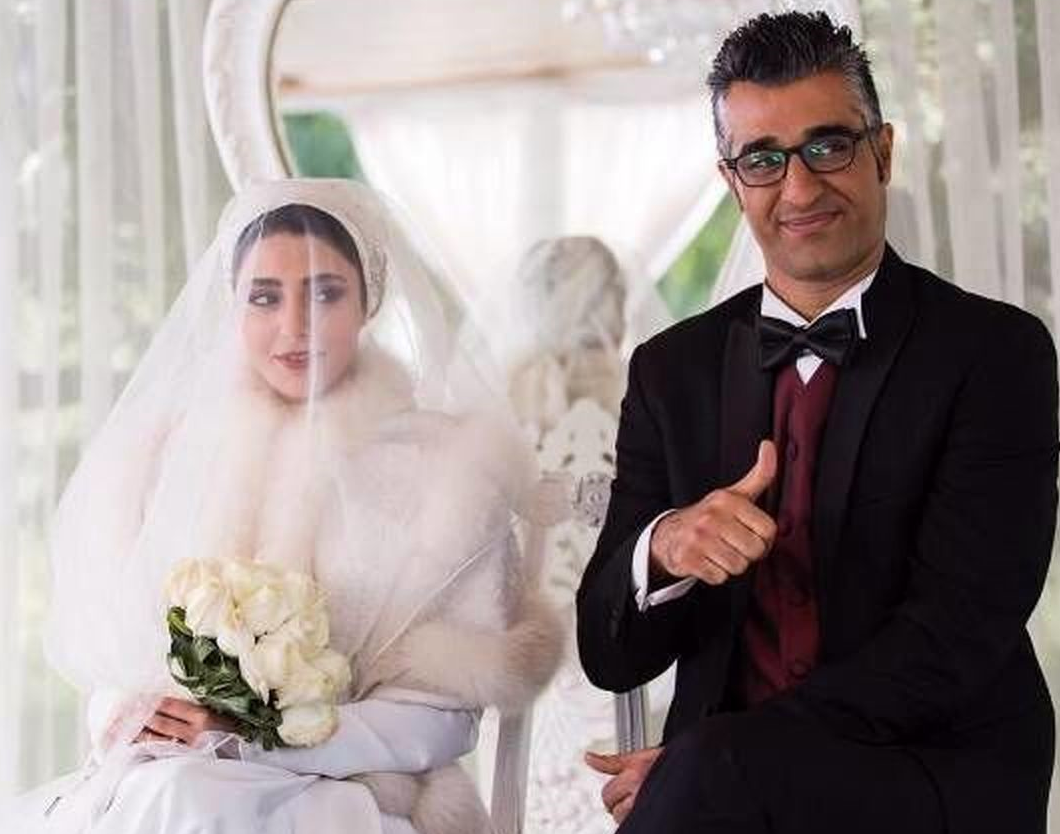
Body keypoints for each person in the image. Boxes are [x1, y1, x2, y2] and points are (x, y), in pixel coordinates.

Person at [576, 11, 1057, 834]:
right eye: (763, 160)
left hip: (931, 769)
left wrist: (712, 759)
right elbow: (608, 653)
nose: (799, 189)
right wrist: (666, 548)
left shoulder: (996, 353)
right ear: (732, 181)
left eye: (827, 146)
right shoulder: (670, 370)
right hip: (720, 785)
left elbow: (955, 638)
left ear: (883, 152)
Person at [3, 179, 563, 834]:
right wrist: (141, 717)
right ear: (233, 305)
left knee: (187, 802)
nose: (294, 326)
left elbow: (440, 723)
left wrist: (259, 739)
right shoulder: (169, 458)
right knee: (172, 796)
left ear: (368, 301)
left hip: (363, 796)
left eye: (325, 293)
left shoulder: (447, 473)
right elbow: (115, 679)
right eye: (264, 297)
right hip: (181, 777)